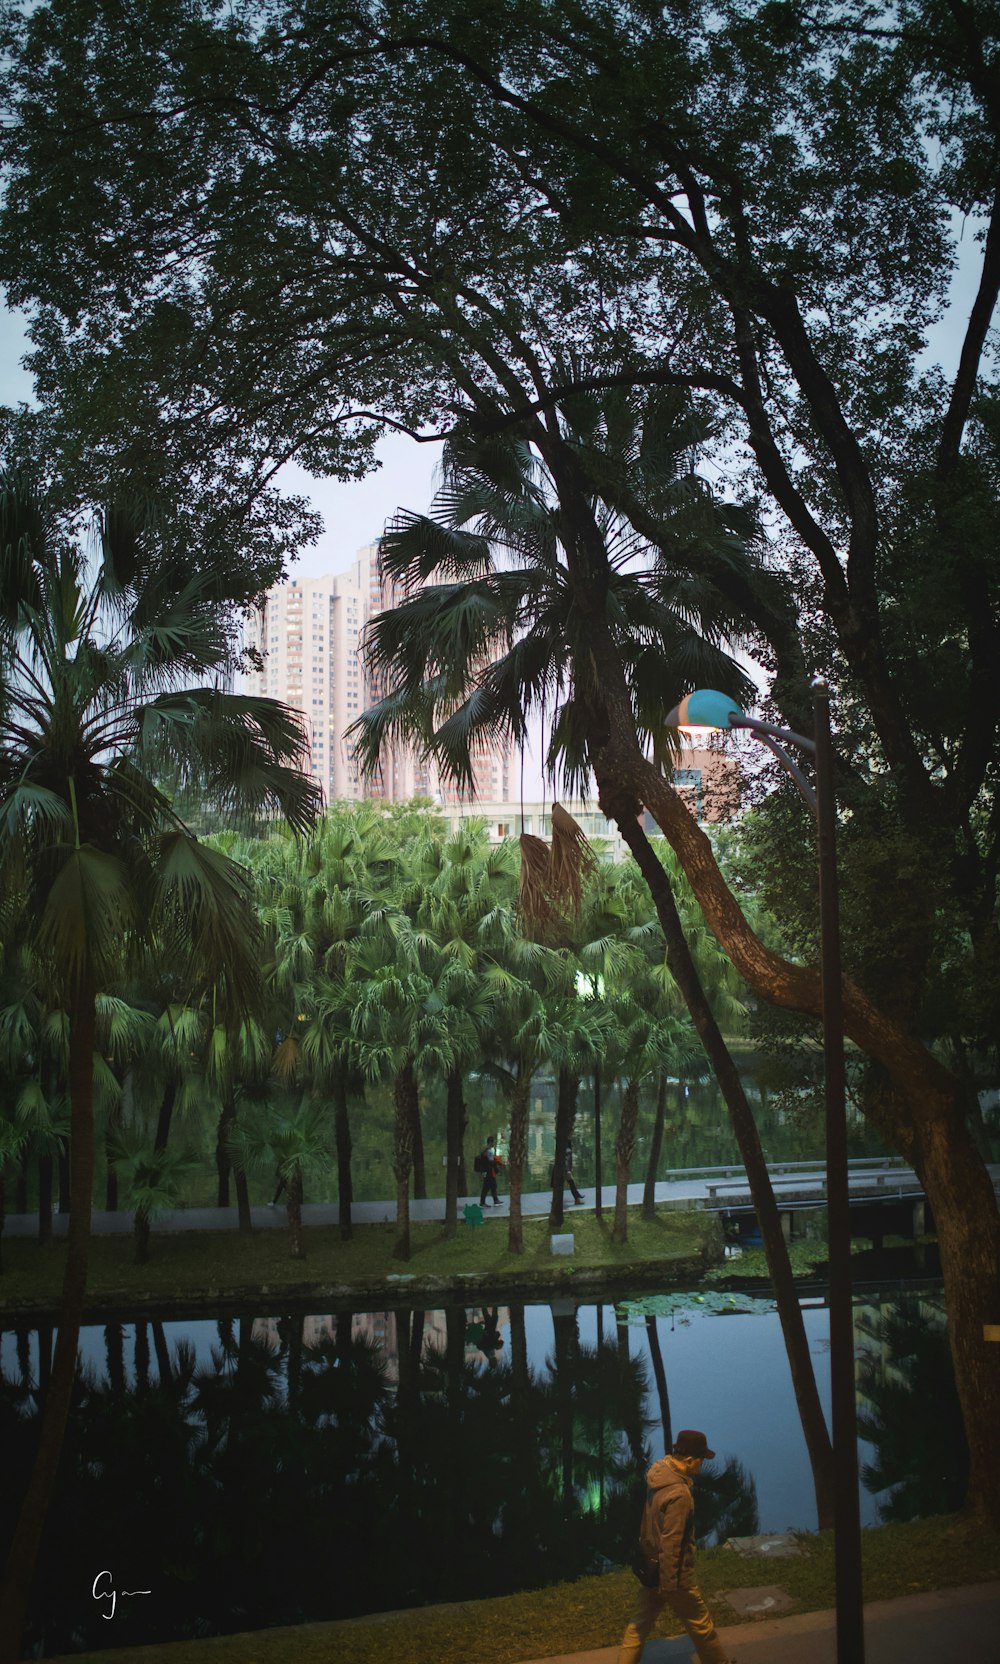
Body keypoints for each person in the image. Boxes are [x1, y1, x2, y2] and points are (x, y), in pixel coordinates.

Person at [618, 1429, 735, 1664]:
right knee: (702, 1627)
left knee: (637, 1627)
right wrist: (668, 1585)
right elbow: (672, 1541)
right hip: (674, 1576)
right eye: (701, 1460)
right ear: (691, 1460)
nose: (702, 1465)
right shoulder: (680, 1494)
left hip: (651, 1568)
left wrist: (655, 1577)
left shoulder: (658, 1475)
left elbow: (648, 1524)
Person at [479, 1139, 504, 1208]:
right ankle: (483, 1202)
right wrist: (498, 1162)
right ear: (491, 1142)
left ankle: (495, 1200)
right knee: (487, 1187)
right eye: (493, 1142)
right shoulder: (488, 1151)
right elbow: (490, 1161)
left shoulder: (485, 1150)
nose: (494, 1144)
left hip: (486, 1171)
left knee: (492, 1186)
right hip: (488, 1171)